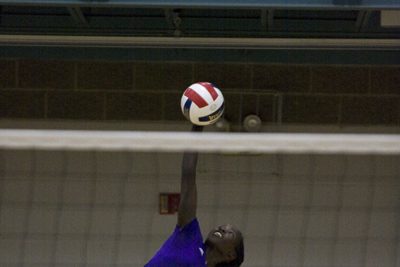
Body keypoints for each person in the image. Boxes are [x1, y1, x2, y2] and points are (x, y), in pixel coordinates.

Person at [145, 125, 244, 267]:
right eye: (222, 227)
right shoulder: (190, 235)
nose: (221, 229)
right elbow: (188, 175)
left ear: (230, 255)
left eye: (229, 233)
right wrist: (197, 126)